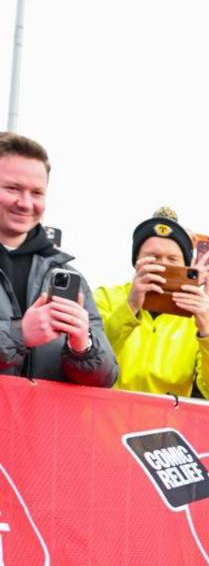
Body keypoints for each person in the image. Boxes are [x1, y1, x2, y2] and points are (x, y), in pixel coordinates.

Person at [0, 132, 117, 386]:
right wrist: (18, 335)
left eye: (37, 193)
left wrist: (82, 347)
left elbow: (106, 379)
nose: (26, 203)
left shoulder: (64, 273)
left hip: (38, 425)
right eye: (12, 188)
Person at [94, 215, 209, 401]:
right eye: (152, 257)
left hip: (166, 426)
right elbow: (89, 356)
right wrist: (130, 306)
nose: (162, 265)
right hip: (106, 421)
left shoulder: (194, 314)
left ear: (186, 266)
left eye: (172, 259)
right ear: (136, 262)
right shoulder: (105, 297)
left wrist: (208, 331)